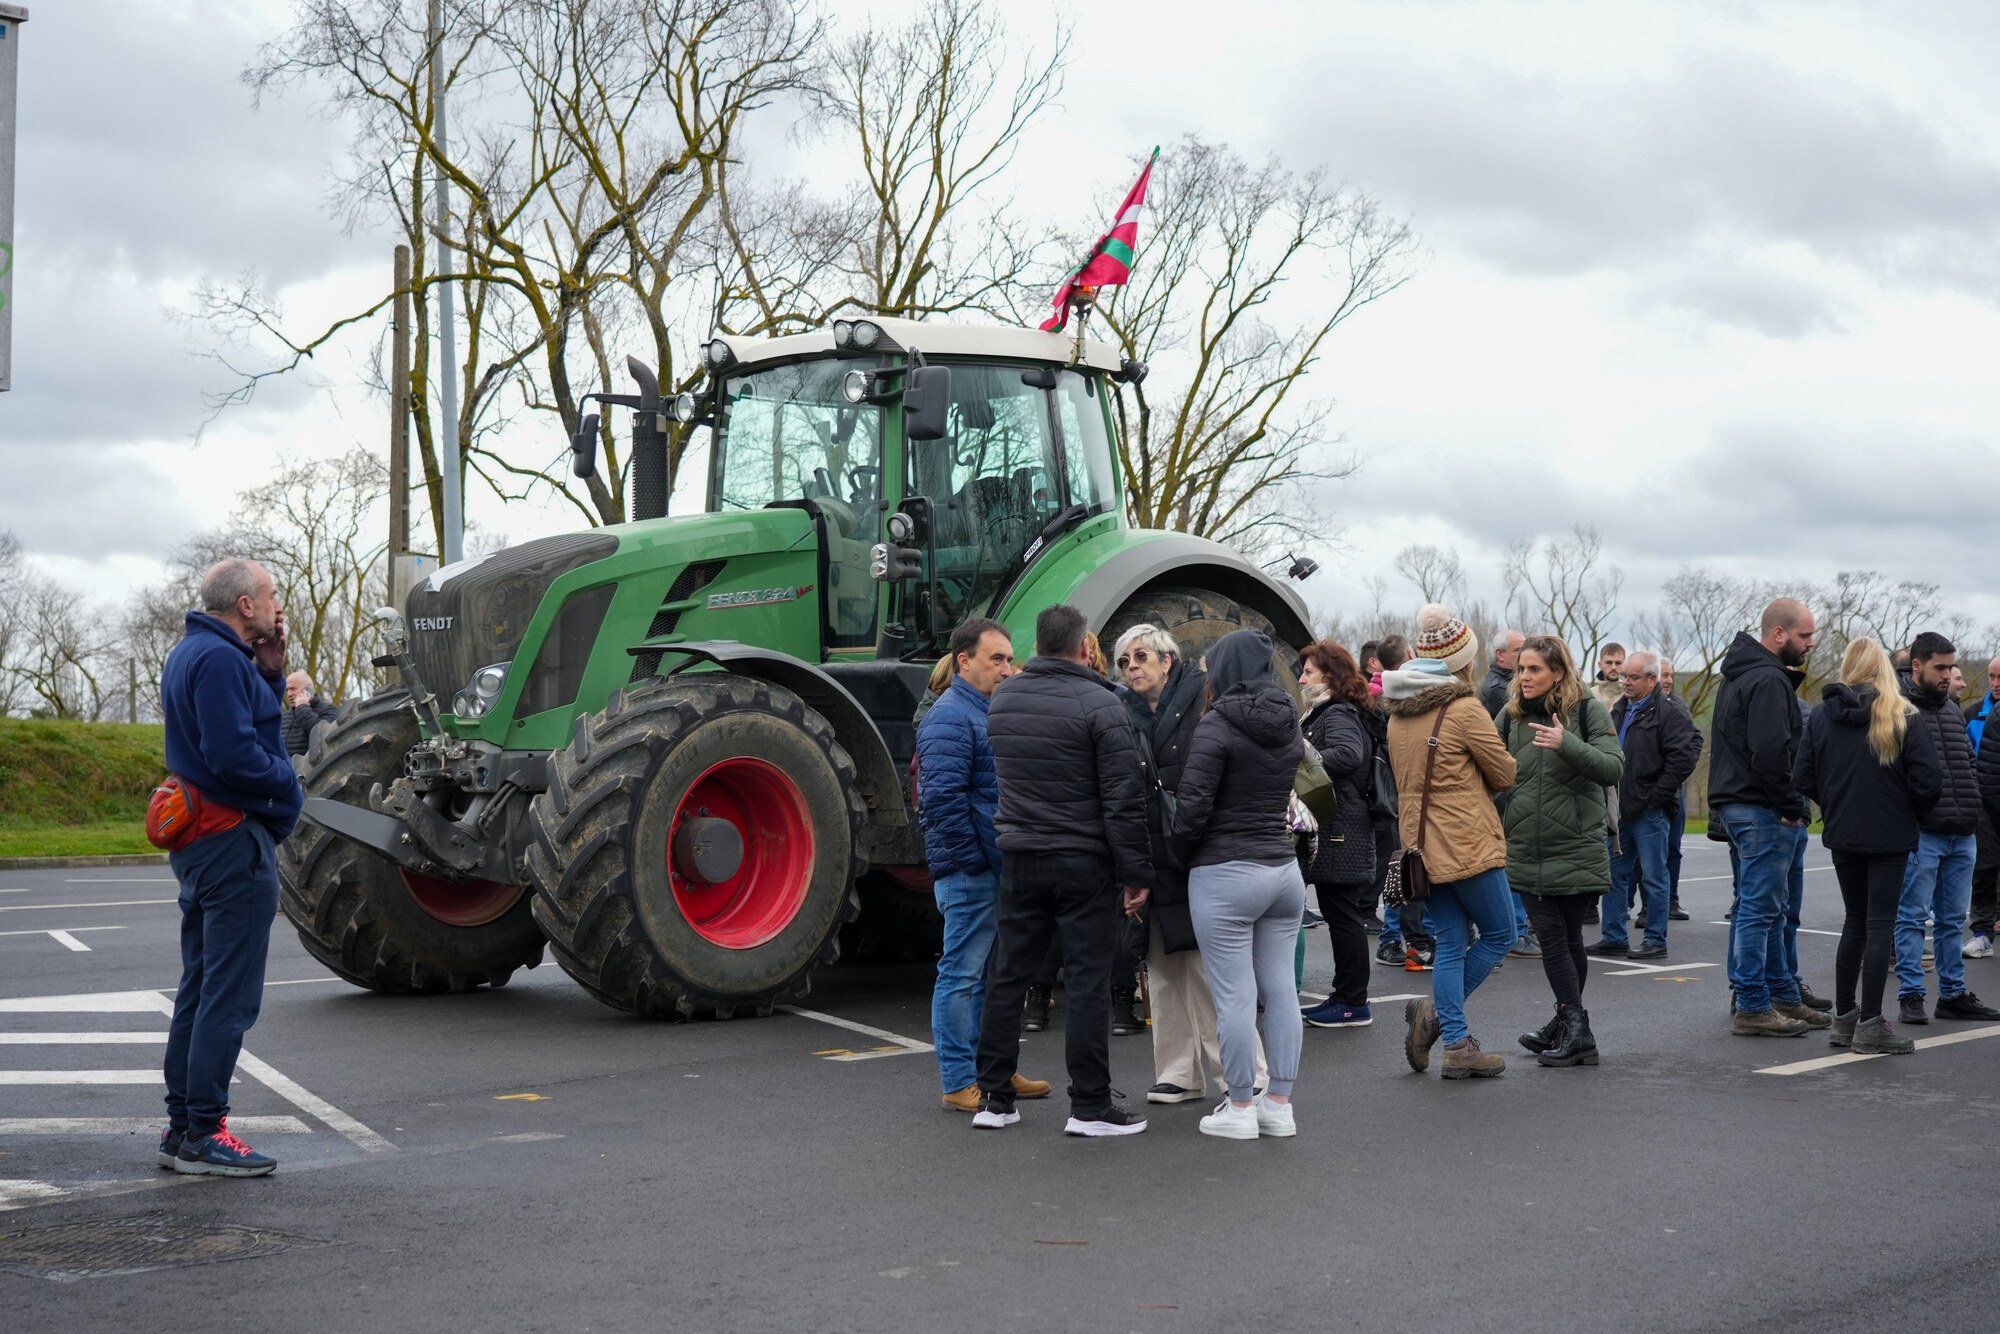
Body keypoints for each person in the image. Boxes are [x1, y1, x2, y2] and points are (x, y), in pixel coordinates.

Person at [975, 605, 1154, 1137]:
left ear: (1037, 643)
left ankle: (995, 1098)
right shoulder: (1101, 704)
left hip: (1021, 854)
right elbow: (1122, 799)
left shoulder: (1004, 698)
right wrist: (1136, 870)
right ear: (1083, 648)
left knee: (1008, 976)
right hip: (1081, 859)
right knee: (1087, 981)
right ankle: (1090, 1105)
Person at [157, 559, 304, 1177]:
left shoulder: (196, 653)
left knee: (201, 984)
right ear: (245, 604)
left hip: (201, 840)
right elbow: (234, 751)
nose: (277, 607)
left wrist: (269, 670)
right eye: (270, 597)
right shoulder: (218, 660)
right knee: (229, 994)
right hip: (230, 841)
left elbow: (246, 723)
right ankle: (206, 1134)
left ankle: (182, 1126)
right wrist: (288, 783)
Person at [1116, 623, 1267, 1103]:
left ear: (1167, 659)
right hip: (1151, 853)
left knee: (1208, 970)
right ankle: (1178, 1072)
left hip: (1199, 850)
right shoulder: (1124, 712)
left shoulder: (1204, 700)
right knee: (1161, 968)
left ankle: (1242, 1076)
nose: (1131, 667)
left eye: (1140, 657)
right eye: (1123, 661)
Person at [1172, 629, 1308, 1138]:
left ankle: (1241, 1107)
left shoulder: (1215, 726)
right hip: (1282, 872)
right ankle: (1280, 1104)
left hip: (1225, 873)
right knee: (1281, 991)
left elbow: (1193, 809)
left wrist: (1178, 854)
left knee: (1233, 996)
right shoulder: (1289, 722)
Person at [915, 617, 1053, 1113]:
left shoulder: (984, 711)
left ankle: (992, 1070)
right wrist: (976, 863)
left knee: (986, 977)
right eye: (996, 658)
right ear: (963, 661)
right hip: (971, 870)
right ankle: (958, 1080)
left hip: (991, 867)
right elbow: (942, 801)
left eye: (1008, 658)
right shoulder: (950, 716)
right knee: (961, 975)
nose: (1006, 668)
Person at [1385, 604, 1518, 1078]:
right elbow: (1504, 773)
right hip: (1466, 843)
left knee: (1449, 940)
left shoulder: (1397, 715)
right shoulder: (1464, 709)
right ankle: (1442, 1022)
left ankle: (1454, 1039)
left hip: (1420, 847)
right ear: (1462, 660)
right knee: (1502, 933)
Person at [1793, 638, 1942, 1054]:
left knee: (1854, 923)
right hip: (1889, 834)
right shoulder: (1901, 714)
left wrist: (1836, 801)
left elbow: (1802, 777)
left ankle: (1844, 1019)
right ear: (1883, 668)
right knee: (1880, 926)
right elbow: (1929, 781)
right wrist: (1908, 810)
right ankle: (1871, 1023)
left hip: (1844, 832)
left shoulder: (1822, 715)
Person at [1495, 636, 1622, 1067]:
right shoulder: (1511, 716)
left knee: (1567, 940)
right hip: (1526, 847)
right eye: (1521, 669)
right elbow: (1485, 761)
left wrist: (1564, 742)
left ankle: (1573, 1026)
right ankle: (1571, 1025)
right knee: (1553, 938)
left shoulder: (1588, 709)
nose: (1525, 678)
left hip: (1576, 844)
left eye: (1534, 670)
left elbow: (1612, 767)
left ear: (1558, 673)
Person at [1712, 598, 1822, 1037]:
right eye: (1805, 635)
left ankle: (1780, 996)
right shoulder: (1768, 679)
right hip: (1762, 808)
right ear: (1779, 634)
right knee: (1761, 910)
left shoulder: (1743, 674)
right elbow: (1771, 752)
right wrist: (1792, 806)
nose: (1810, 644)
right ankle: (1754, 1005)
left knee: (1761, 909)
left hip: (1743, 804)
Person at [1894, 633, 2000, 1024]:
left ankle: (1953, 994)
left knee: (1953, 919)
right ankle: (1911, 995)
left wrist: (1972, 809)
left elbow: (1969, 763)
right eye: (1940, 667)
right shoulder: (1899, 709)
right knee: (1911, 917)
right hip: (1923, 833)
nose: (1948, 674)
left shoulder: (1954, 710)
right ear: (1917, 666)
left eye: (1951, 667)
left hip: (1962, 831)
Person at [1593, 652, 1703, 960]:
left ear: (1651, 679)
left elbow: (1683, 759)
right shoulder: (1618, 709)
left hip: (1650, 811)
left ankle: (1656, 939)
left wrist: (1655, 797)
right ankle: (1613, 936)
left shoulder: (1670, 712)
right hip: (1620, 809)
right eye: (1624, 676)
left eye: (1632, 677)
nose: (1625, 681)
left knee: (1655, 877)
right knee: (1614, 875)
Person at [1297, 639, 1379, 1029]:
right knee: (1339, 913)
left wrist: (1303, 758)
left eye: (1308, 672)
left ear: (1329, 675)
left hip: (1341, 829)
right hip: (1337, 828)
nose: (1301, 678)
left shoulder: (1337, 713)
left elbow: (1348, 756)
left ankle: (1352, 1002)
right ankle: (1345, 995)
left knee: (1344, 915)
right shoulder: (1327, 712)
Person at [1372, 636, 1433, 970]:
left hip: (1400, 794)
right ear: (1409, 655)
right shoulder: (1390, 698)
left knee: (1403, 869)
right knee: (1405, 871)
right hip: (1399, 795)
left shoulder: (1386, 696)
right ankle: (1402, 941)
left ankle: (1407, 940)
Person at [1965, 656, 2000, 959]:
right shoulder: (1974, 714)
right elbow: (1976, 762)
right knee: (1985, 868)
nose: (1995, 683)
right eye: (1991, 676)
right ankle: (1982, 932)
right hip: (1986, 803)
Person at [1657, 661, 1692, 923]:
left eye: (1669, 675)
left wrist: (1675, 776)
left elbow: (1695, 741)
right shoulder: (1637, 708)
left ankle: (1672, 899)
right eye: (1662, 675)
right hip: (1648, 792)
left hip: (1674, 791)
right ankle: (1642, 905)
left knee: (1673, 849)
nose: (1667, 680)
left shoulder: (1680, 707)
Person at [280, 672, 341, 759]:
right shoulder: (284, 716)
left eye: (293, 689)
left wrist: (302, 708)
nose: (289, 694)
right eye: (287, 690)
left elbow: (324, 736)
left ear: (308, 690)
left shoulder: (328, 710)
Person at [1479, 629, 1525, 718]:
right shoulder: (1498, 690)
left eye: (1526, 650)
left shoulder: (1508, 682)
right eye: (1518, 651)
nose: (1524, 655)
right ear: (1500, 655)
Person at [1591, 642, 1627, 714]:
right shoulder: (1590, 694)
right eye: (1608, 662)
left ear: (1624, 665)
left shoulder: (1629, 695)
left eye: (1618, 663)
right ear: (1600, 665)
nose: (1613, 667)